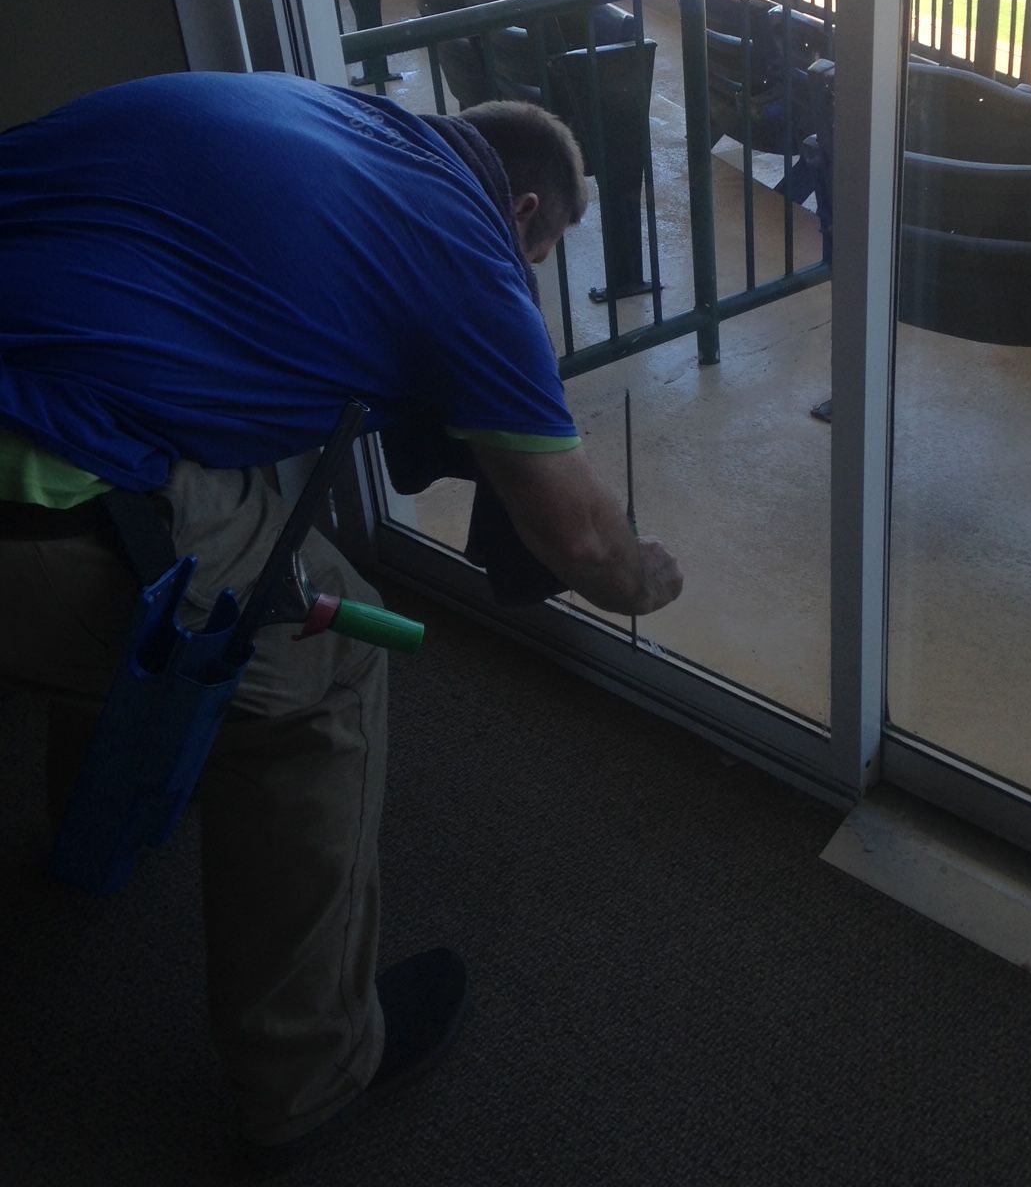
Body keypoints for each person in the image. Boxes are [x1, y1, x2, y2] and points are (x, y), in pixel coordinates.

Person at [0, 70, 682, 1164]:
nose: (529, 281)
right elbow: (581, 543)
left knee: (217, 526)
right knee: (333, 657)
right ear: (524, 213)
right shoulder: (467, 249)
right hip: (29, 492)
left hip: (42, 366)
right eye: (539, 260)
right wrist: (649, 578)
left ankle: (94, 824)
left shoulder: (312, 112)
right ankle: (312, 1071)